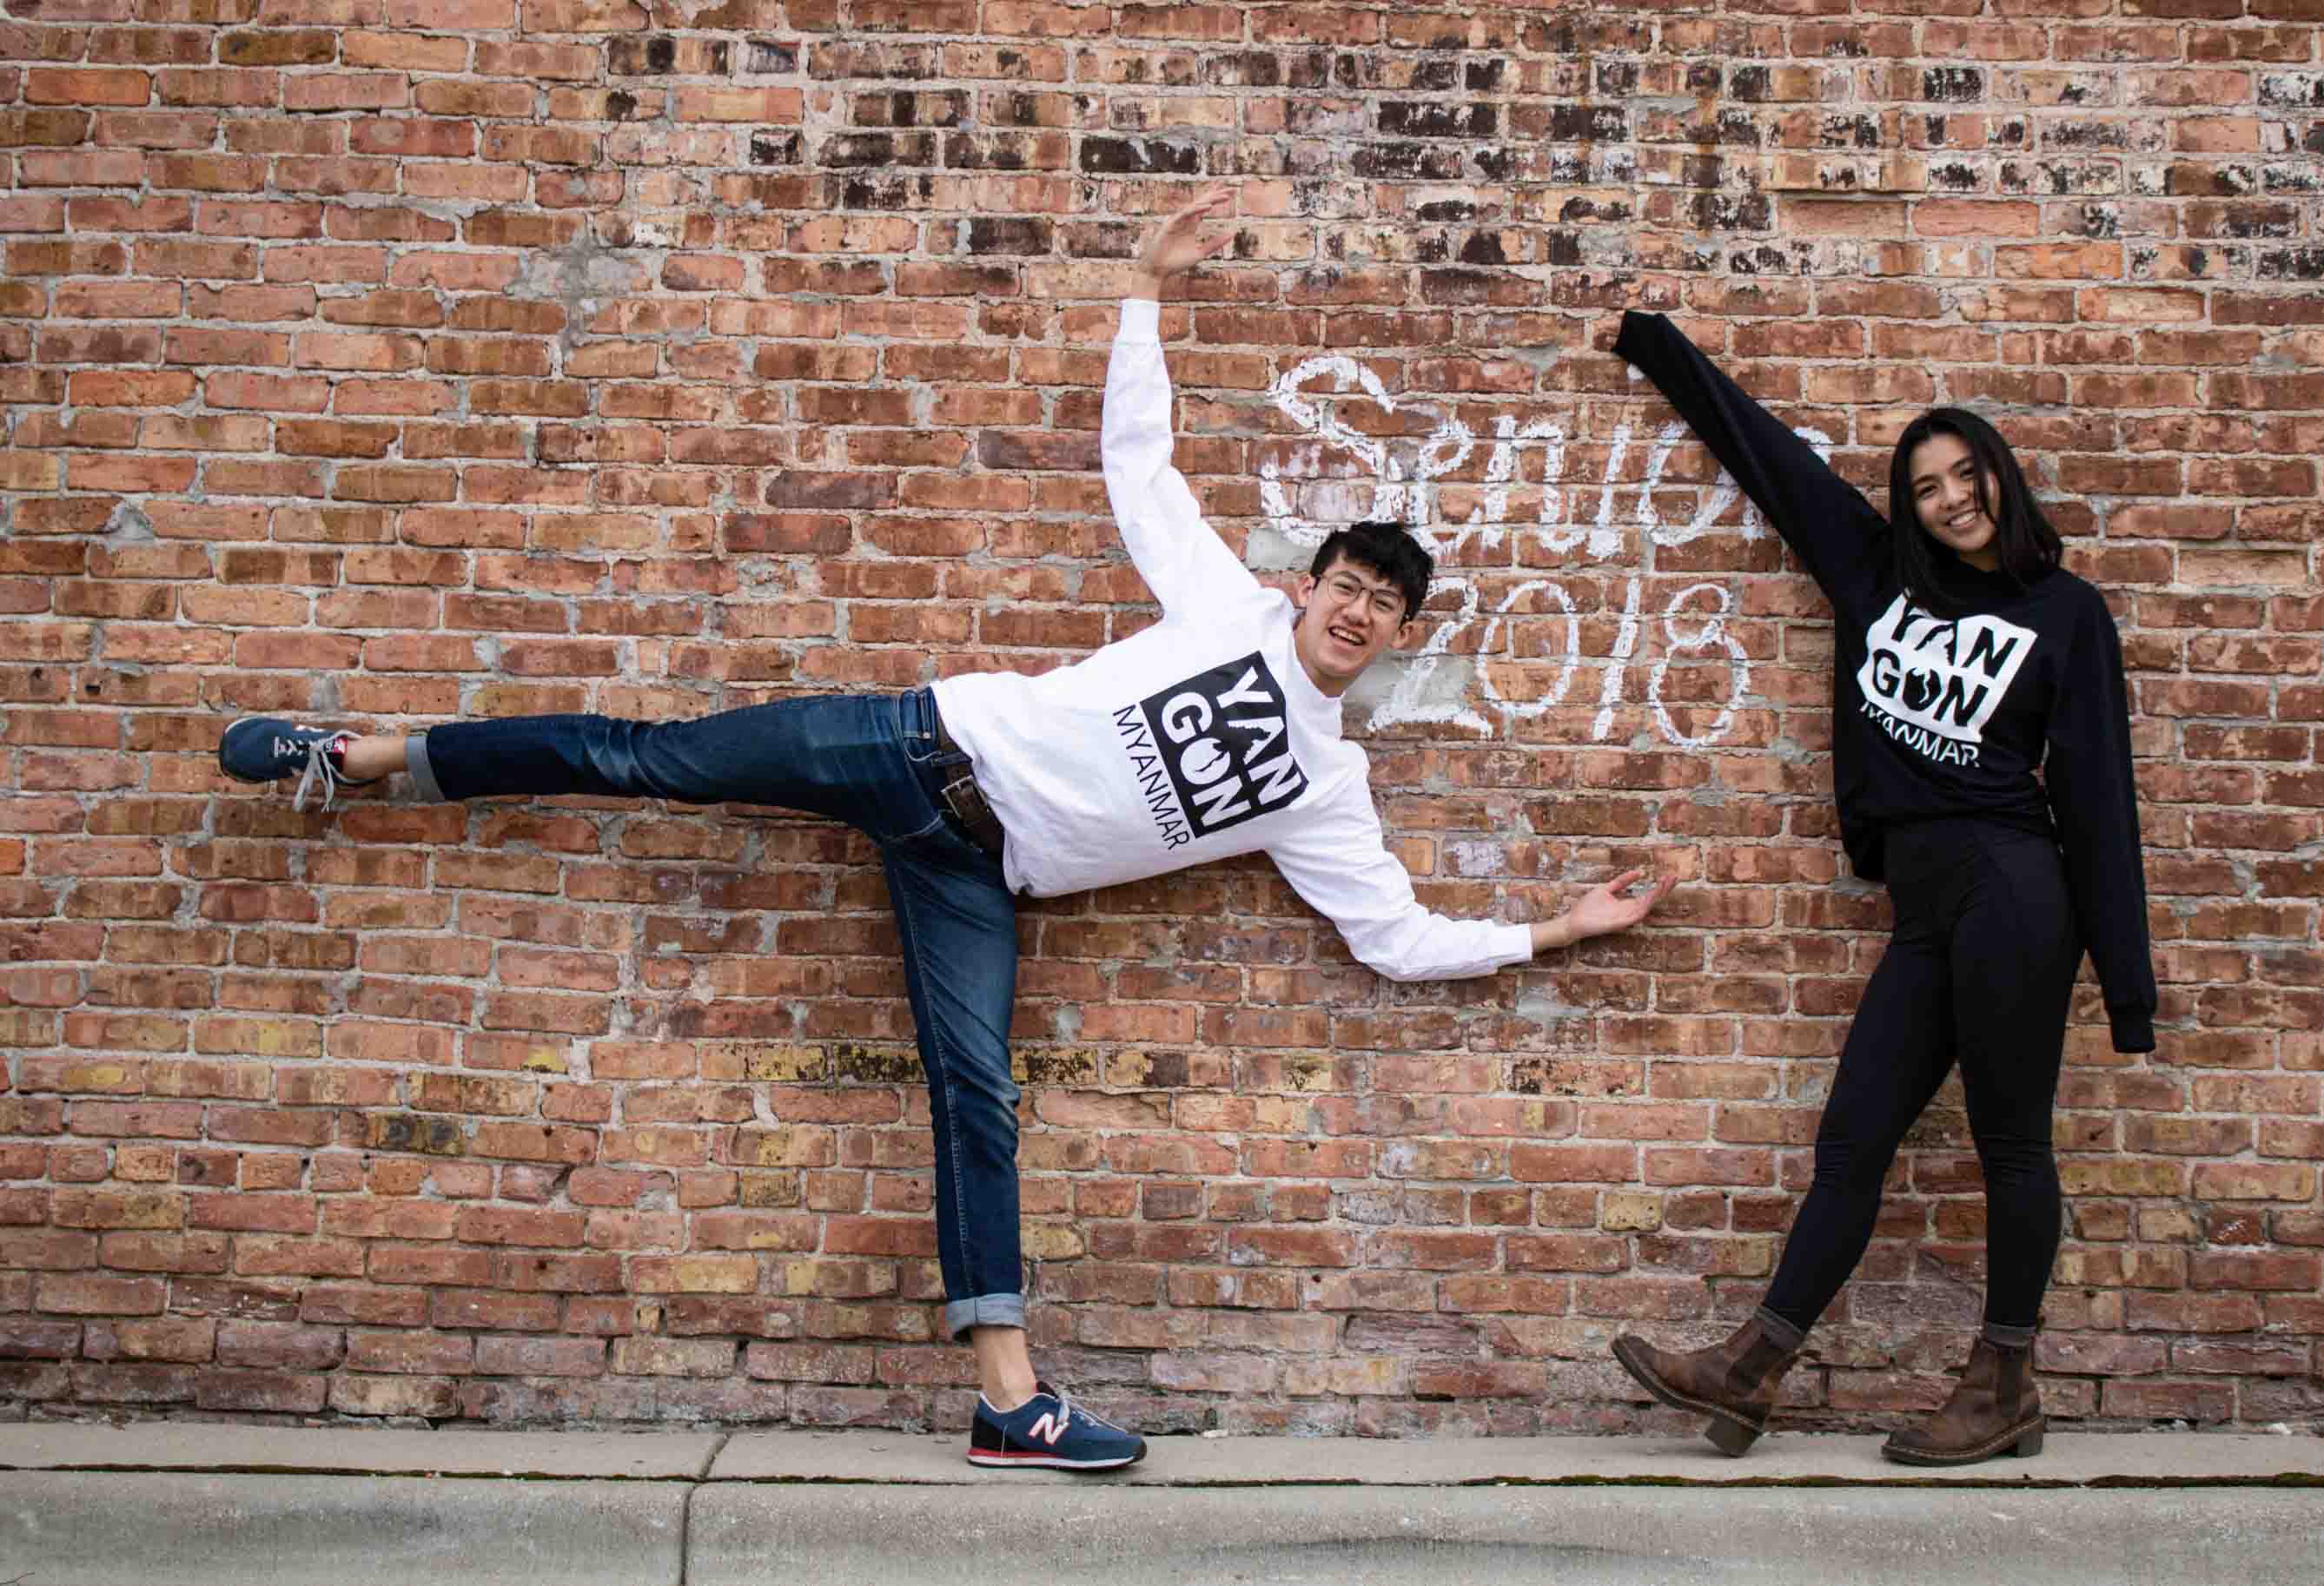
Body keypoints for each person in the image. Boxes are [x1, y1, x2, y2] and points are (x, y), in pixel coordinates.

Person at [216, 188, 1671, 1471]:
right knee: (651, 757)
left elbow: (1394, 937)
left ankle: (1010, 1404)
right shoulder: (1229, 605)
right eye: (1345, 582)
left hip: (975, 868)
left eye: (1384, 608)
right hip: (917, 738)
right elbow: (1140, 464)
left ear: (1399, 639)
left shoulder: (1325, 786)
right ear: (1309, 584)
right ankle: (362, 750)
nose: (1356, 611)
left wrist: (1559, 925)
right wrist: (1145, 285)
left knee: (977, 1099)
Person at [1605, 311, 2154, 1466]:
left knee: (2011, 1144)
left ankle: (2001, 1384)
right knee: (1852, 1137)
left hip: (2015, 895)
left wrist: (2126, 985)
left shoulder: (2067, 614)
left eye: (1966, 475)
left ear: (1999, 478)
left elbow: (2100, 800)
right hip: (1922, 911)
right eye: (1926, 484)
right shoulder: (1871, 572)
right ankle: (1750, 1369)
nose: (1950, 498)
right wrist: (1655, 346)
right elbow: (1772, 462)